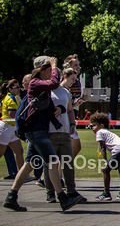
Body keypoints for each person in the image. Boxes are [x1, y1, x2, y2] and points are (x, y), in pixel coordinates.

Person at [3, 56, 81, 212]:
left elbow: (49, 106)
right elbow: (53, 83)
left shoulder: (41, 87)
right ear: (43, 70)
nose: (52, 73)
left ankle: (11, 197)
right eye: (50, 70)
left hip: (37, 130)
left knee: (28, 164)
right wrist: (54, 66)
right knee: (53, 162)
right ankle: (62, 198)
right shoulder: (36, 83)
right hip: (37, 131)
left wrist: (59, 111)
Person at [44, 66, 83, 204]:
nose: (74, 82)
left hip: (65, 132)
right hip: (50, 132)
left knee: (68, 163)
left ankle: (71, 190)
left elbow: (70, 110)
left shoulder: (65, 92)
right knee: (50, 165)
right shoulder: (47, 91)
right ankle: (50, 192)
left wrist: (72, 124)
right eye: (72, 79)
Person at [90, 112, 120, 201]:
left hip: (119, 149)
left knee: (106, 170)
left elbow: (102, 147)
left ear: (101, 125)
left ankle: (106, 193)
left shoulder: (100, 132)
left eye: (94, 125)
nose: (92, 128)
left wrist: (105, 161)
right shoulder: (108, 132)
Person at [1, 79, 24, 179]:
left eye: (18, 87)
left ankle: (23, 175)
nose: (18, 89)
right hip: (6, 128)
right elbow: (12, 114)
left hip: (11, 129)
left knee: (19, 151)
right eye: (16, 87)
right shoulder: (10, 99)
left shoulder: (13, 97)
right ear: (10, 89)